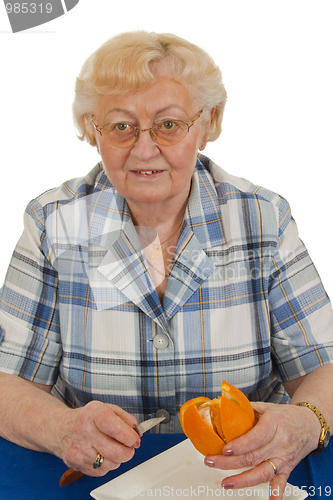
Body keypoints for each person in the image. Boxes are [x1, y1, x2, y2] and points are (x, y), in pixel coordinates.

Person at [0, 30, 332, 499]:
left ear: (207, 122)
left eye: (169, 124)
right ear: (92, 131)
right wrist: (60, 428)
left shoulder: (263, 218)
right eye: (120, 126)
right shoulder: (53, 223)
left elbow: (323, 365)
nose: (143, 147)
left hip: (245, 474)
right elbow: (7, 382)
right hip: (96, 478)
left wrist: (305, 420)